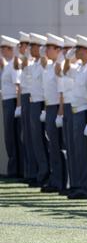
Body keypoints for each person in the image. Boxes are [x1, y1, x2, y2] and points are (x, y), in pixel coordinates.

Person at [62, 35, 87, 200]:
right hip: (76, 111)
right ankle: (80, 186)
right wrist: (68, 58)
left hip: (85, 113)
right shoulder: (80, 68)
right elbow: (64, 71)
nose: (74, 52)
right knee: (78, 153)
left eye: (77, 49)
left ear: (86, 50)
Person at [41, 33, 68, 193]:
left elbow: (62, 93)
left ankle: (64, 182)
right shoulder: (50, 66)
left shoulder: (60, 66)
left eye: (49, 48)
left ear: (58, 49)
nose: (46, 51)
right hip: (50, 107)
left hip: (58, 108)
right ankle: (56, 179)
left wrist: (59, 113)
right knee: (53, 146)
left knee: (60, 147)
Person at [55, 36, 78, 196]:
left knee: (75, 149)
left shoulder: (77, 68)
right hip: (67, 108)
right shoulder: (66, 68)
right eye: (64, 50)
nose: (66, 53)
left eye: (69, 50)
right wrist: (60, 113)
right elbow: (62, 93)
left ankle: (74, 183)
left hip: (76, 108)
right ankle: (69, 182)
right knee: (68, 148)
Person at [14, 32, 38, 186]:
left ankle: (36, 173)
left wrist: (25, 54)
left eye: (24, 45)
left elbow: (20, 64)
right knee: (27, 138)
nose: (22, 47)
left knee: (34, 138)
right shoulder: (26, 60)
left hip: (32, 98)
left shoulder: (31, 61)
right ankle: (30, 172)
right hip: (26, 98)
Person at [0, 35, 23, 179]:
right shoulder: (8, 64)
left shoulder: (14, 64)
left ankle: (16, 169)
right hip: (7, 100)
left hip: (13, 102)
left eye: (4, 48)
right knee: (10, 137)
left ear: (10, 49)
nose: (2, 51)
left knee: (14, 136)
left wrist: (18, 106)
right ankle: (14, 168)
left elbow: (18, 87)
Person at [29, 33, 50, 188]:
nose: (30, 49)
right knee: (36, 141)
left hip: (43, 104)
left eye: (33, 46)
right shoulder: (35, 64)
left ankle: (46, 175)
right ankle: (40, 173)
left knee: (44, 142)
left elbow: (47, 88)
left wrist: (44, 108)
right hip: (34, 103)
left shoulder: (45, 64)